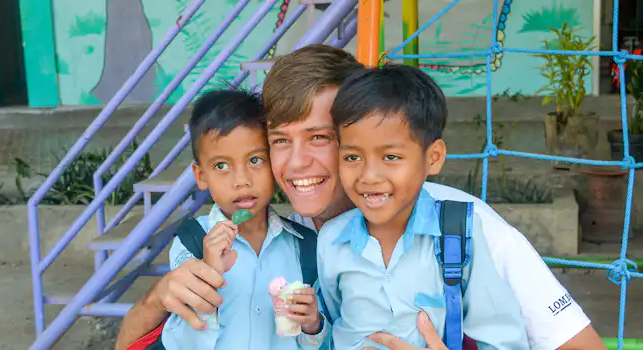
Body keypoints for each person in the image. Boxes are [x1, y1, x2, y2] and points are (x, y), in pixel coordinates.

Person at [116, 45, 606, 350]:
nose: (296, 164)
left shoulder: (466, 228)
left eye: (321, 138)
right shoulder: (279, 234)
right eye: (281, 141)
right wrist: (157, 299)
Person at [316, 63, 530, 349]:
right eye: (353, 158)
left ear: (434, 157)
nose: (369, 176)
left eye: (390, 157)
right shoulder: (331, 241)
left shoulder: (459, 232)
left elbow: (504, 341)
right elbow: (332, 325)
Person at [156, 88, 329, 349]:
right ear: (201, 176)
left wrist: (313, 324)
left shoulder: (305, 245)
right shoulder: (191, 242)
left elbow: (314, 343)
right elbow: (181, 342)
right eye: (221, 166)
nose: (242, 180)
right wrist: (209, 273)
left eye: (256, 160)